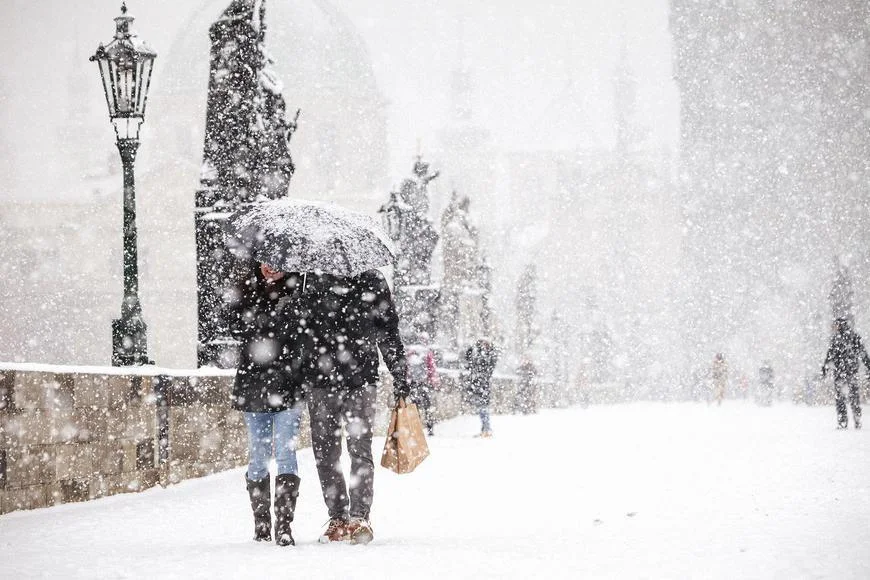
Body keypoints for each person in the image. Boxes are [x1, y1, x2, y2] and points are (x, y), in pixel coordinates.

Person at [302, 269, 407, 544]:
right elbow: (299, 332)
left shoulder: (372, 280)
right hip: (320, 381)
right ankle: (337, 517)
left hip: (361, 379)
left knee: (359, 449)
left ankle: (360, 517)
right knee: (325, 452)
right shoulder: (311, 279)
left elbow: (388, 330)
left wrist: (400, 374)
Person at [229, 262, 307, 547]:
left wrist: (290, 308)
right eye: (265, 263)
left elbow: (304, 338)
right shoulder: (247, 290)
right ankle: (261, 525)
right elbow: (235, 328)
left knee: (286, 452)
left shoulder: (300, 292)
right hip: (254, 384)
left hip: (289, 384)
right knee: (258, 455)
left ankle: (284, 527)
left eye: (277, 264)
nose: (271, 269)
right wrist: (255, 306)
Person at [821, 317, 870, 429]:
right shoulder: (854, 337)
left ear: (840, 325)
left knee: (840, 398)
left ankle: (843, 421)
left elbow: (830, 356)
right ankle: (856, 418)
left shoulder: (837, 339)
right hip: (851, 371)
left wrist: (825, 368)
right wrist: (868, 366)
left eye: (835, 325)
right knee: (853, 396)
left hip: (840, 372)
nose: (834, 327)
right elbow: (863, 354)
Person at [464, 339, 499, 437]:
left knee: (483, 407)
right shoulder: (480, 355)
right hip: (477, 384)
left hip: (484, 385)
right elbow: (469, 359)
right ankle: (485, 428)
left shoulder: (490, 356)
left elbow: (487, 365)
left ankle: (487, 429)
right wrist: (474, 348)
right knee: (481, 408)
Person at [406, 339, 439, 436]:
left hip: (413, 383)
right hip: (425, 383)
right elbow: (431, 368)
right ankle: (430, 429)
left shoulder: (410, 353)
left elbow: (406, 368)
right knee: (427, 407)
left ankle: (415, 428)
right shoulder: (427, 353)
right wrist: (433, 382)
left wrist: (407, 381)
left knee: (414, 406)